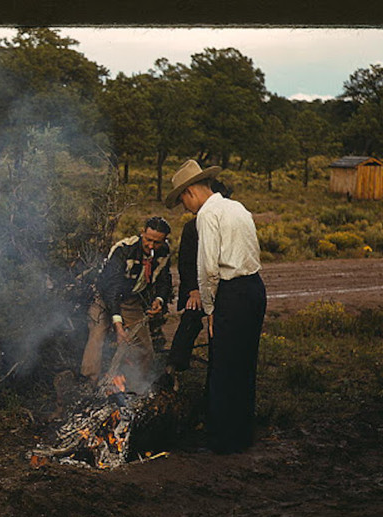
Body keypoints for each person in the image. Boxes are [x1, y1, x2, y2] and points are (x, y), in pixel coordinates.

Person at [164, 160, 266, 454]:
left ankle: (223, 440)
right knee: (245, 364)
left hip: (231, 292)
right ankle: (242, 434)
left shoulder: (207, 215)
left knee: (222, 366)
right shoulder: (237, 208)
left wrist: (209, 310)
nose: (184, 206)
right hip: (254, 288)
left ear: (192, 191)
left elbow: (207, 267)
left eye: (182, 198)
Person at [80, 216, 173, 386]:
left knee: (144, 346)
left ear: (164, 240)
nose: (151, 246)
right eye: (148, 240)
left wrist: (159, 299)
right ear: (142, 233)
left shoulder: (164, 252)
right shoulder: (124, 249)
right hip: (105, 296)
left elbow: (164, 280)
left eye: (157, 242)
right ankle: (89, 381)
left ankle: (134, 385)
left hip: (131, 300)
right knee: (98, 332)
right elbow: (112, 288)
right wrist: (118, 325)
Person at [164, 180, 233, 383]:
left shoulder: (230, 221)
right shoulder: (192, 227)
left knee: (221, 328)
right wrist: (193, 290)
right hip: (200, 287)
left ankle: (218, 369)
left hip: (225, 286)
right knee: (191, 317)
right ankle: (174, 365)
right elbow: (186, 262)